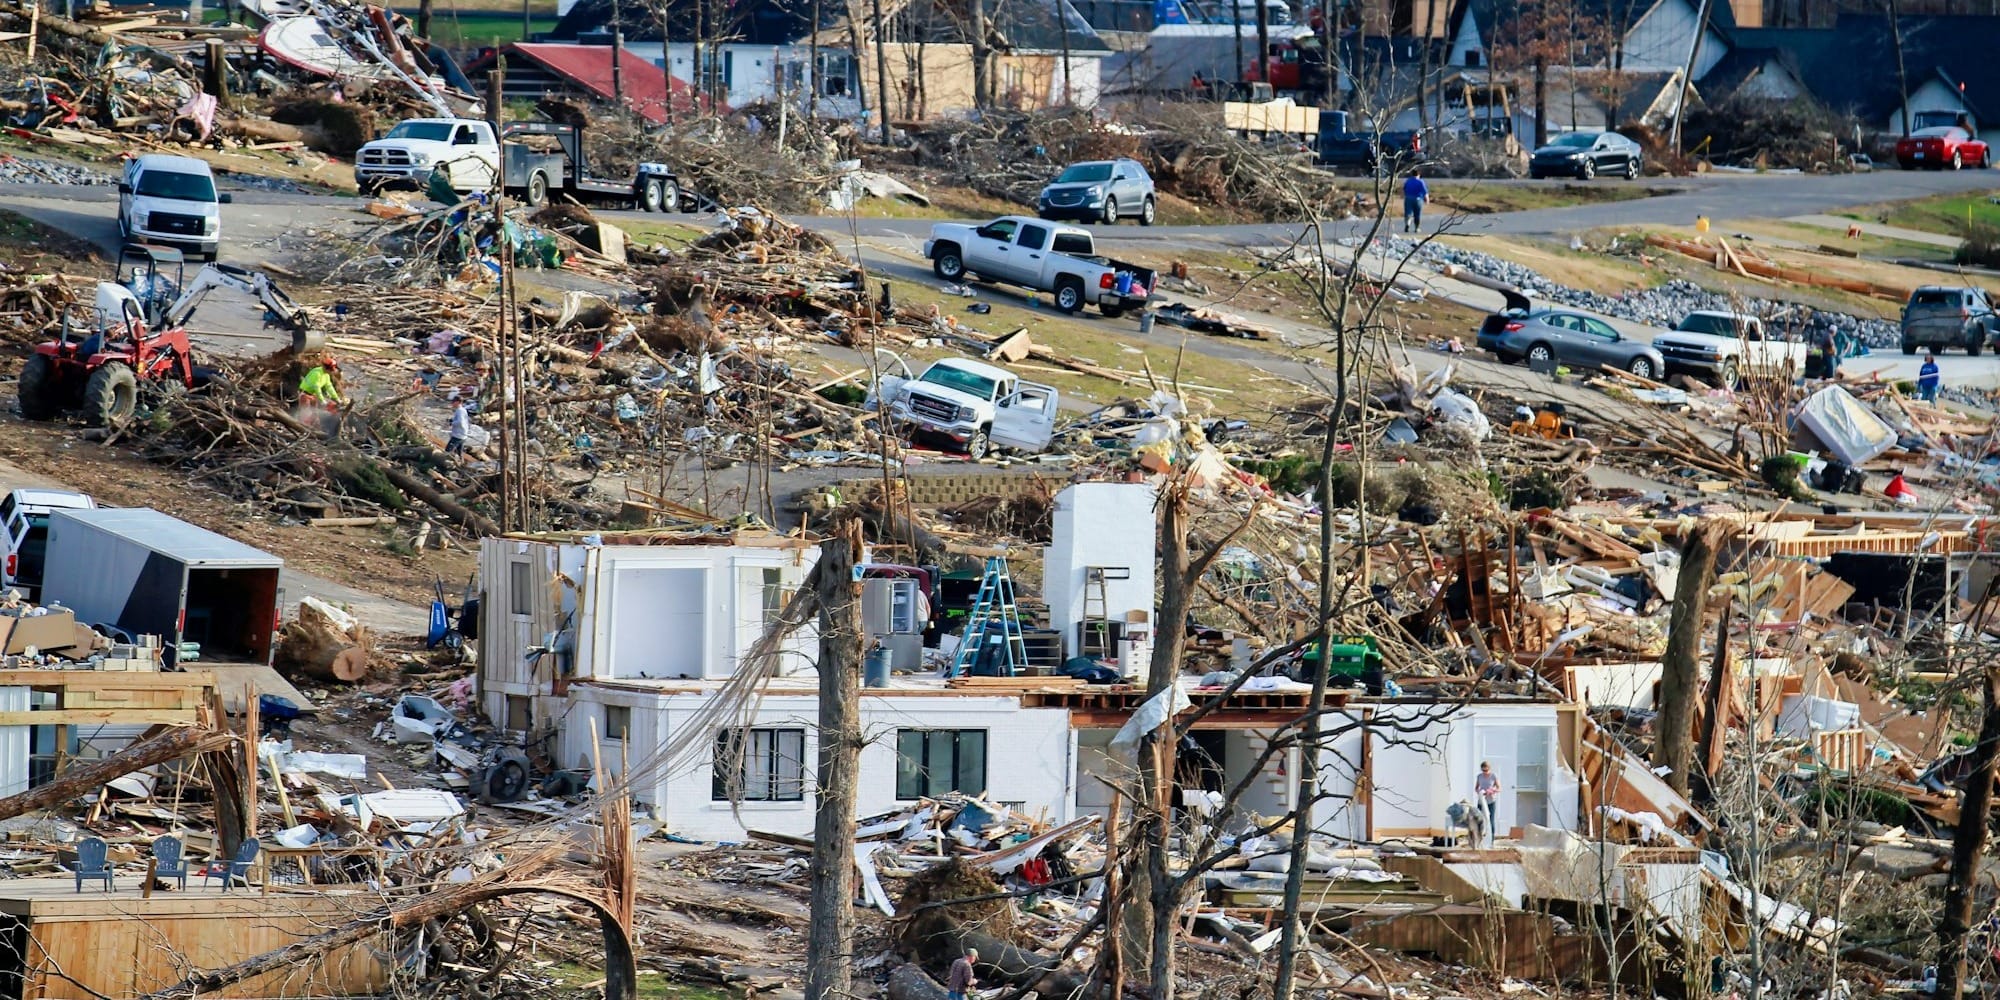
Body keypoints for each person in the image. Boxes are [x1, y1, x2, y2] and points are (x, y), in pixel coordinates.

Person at [1474, 761, 1500, 846]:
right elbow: (1476, 788)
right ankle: (1479, 839)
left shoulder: (1493, 776)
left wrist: (1491, 791)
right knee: (1479, 820)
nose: (1484, 772)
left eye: (1486, 770)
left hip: (1491, 801)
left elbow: (1499, 788)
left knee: (1490, 820)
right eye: (1483, 770)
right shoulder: (1479, 776)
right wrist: (1480, 792)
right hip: (1482, 801)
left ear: (1489, 769)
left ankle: (1491, 841)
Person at [1402, 169, 1429, 233]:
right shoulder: (1420, 181)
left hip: (1408, 198)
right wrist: (1427, 199)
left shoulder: (1408, 181)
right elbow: (1425, 191)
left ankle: (1407, 225)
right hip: (1418, 199)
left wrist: (1404, 195)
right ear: (1418, 174)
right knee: (1417, 214)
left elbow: (1404, 189)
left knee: (1408, 213)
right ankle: (1417, 228)